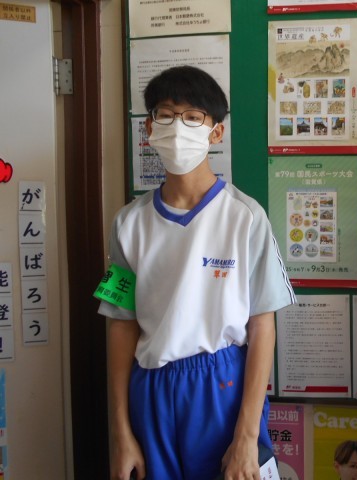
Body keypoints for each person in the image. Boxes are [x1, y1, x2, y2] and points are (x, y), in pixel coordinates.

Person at [96, 65, 295, 480]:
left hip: (222, 389)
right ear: (149, 128)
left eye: (192, 117)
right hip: (151, 390)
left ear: (216, 132)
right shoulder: (127, 223)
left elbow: (263, 326)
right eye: (166, 115)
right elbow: (120, 324)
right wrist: (120, 432)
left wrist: (246, 437)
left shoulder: (245, 217)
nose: (177, 127)